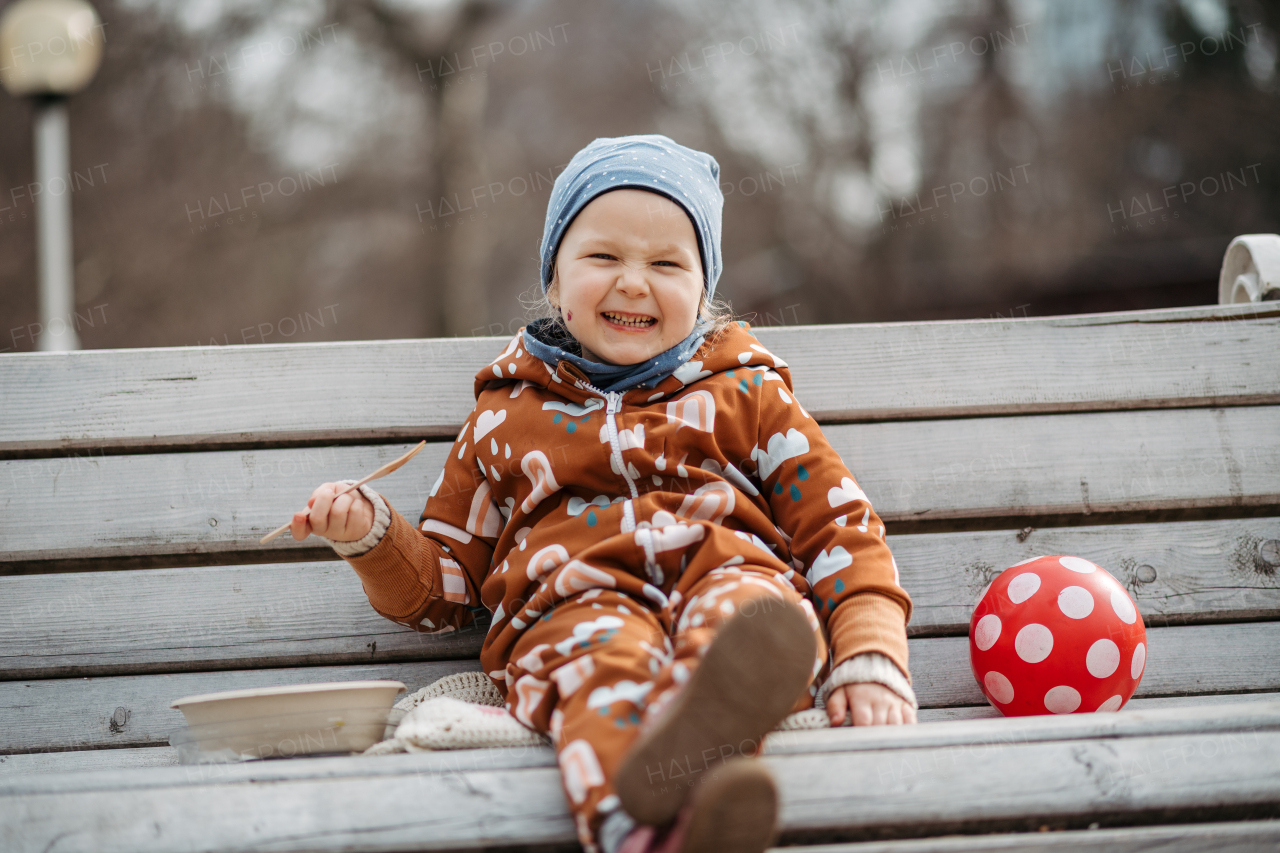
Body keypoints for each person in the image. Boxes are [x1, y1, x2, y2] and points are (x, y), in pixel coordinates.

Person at [291, 134, 918, 853]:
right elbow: (449, 586)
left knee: (753, 623)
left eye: (665, 263)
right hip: (575, 602)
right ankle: (660, 823)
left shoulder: (748, 394)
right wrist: (370, 534)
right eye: (603, 257)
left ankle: (681, 756)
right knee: (602, 663)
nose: (632, 282)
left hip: (732, 576)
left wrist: (872, 654)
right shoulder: (504, 417)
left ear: (703, 289)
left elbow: (842, 529)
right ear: (555, 279)